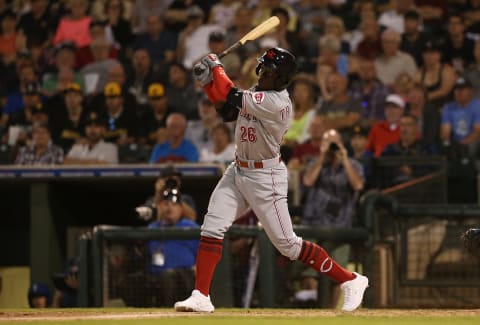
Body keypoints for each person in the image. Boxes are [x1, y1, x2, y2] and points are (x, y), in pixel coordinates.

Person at [174, 47, 368, 313]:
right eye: (262, 69)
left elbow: (231, 94)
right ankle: (201, 295)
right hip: (238, 170)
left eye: (268, 72)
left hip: (266, 178)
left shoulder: (278, 103)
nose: (262, 74)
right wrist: (209, 82)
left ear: (280, 79)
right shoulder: (257, 93)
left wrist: (215, 69)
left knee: (288, 245)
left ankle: (351, 280)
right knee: (212, 226)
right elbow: (227, 111)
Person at [301, 128, 365, 308]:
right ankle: (315, 311)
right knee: (309, 273)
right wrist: (322, 157)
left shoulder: (353, 164)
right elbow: (307, 181)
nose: (330, 147)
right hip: (314, 224)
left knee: (338, 275)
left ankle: (331, 314)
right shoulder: (316, 163)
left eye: (334, 143)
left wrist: (344, 158)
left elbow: (358, 185)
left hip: (340, 227)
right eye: (326, 143)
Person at [144, 189, 199, 307]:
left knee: (168, 276)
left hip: (184, 277)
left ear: (181, 208)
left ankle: (168, 311)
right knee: (133, 280)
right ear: (160, 207)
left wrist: (198, 265)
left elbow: (204, 252)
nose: (170, 208)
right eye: (166, 204)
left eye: (174, 205)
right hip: (155, 276)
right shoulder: (152, 228)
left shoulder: (190, 227)